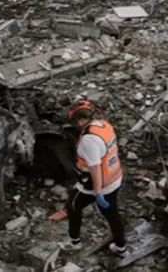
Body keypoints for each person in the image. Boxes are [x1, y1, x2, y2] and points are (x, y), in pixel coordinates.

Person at [59, 102, 126, 257]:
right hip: (115, 177)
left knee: (73, 206)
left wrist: (97, 192)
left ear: (80, 120)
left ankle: (74, 242)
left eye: (76, 122)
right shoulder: (104, 125)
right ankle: (121, 247)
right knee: (112, 214)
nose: (76, 125)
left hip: (97, 184)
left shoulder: (89, 140)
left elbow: (95, 168)